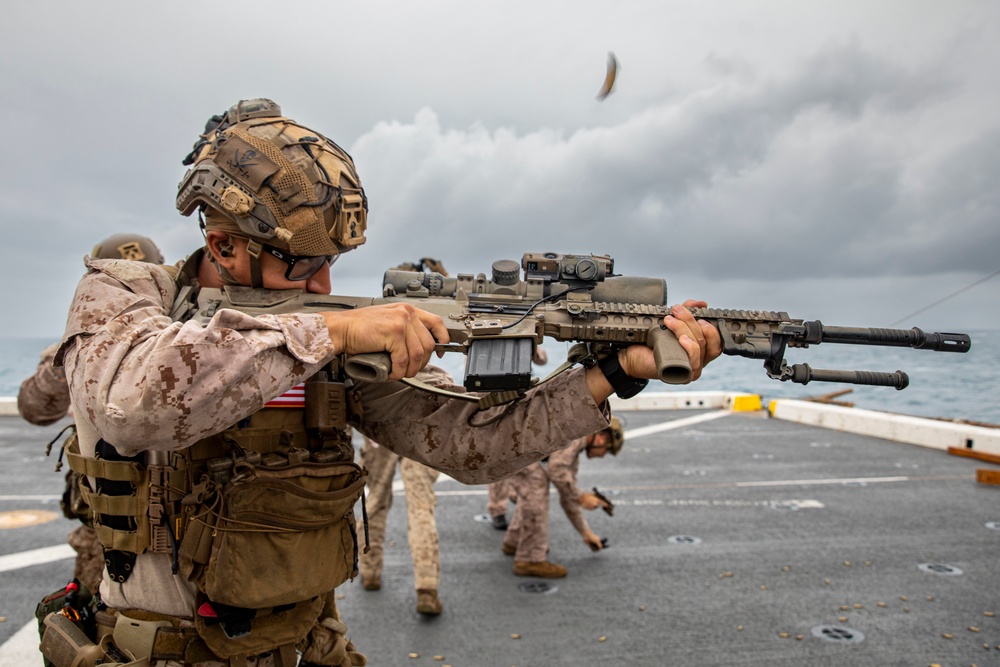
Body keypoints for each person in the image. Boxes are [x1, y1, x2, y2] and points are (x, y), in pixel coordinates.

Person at [52, 99, 720, 667]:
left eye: (333, 265)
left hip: (311, 646)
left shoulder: (315, 331)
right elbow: (133, 403)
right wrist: (334, 334)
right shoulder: (125, 294)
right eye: (305, 265)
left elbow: (470, 445)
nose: (324, 288)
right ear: (225, 244)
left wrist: (610, 374)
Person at [18, 234, 165, 593]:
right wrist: (75, 354)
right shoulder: (82, 344)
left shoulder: (175, 340)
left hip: (168, 517)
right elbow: (35, 408)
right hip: (105, 515)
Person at [501, 417, 625, 578]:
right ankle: (530, 559)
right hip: (516, 451)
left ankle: (514, 541)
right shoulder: (577, 437)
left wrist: (586, 533)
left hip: (516, 448)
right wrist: (580, 497)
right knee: (535, 493)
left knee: (533, 491)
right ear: (601, 438)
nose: (602, 456)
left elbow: (568, 496)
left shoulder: (576, 446)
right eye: (607, 451)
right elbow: (557, 470)